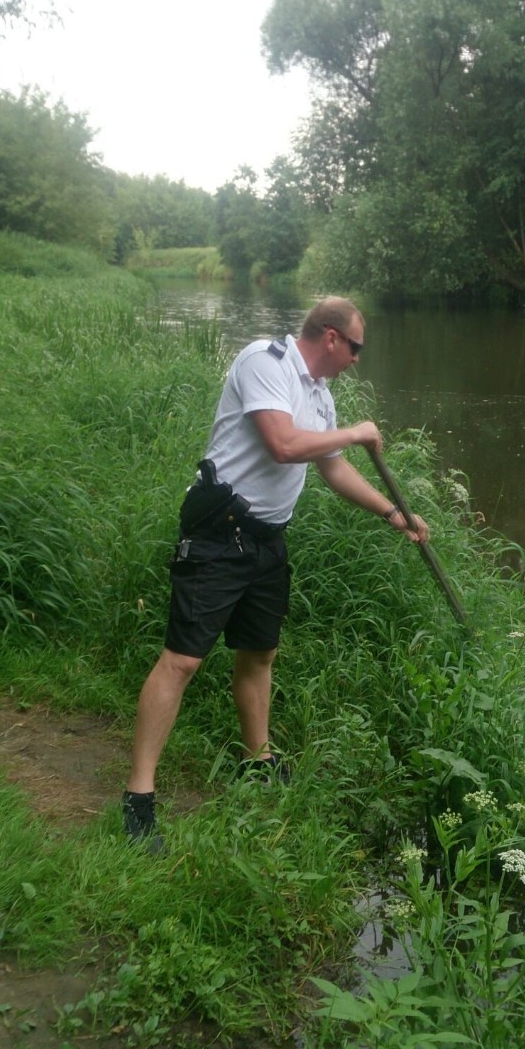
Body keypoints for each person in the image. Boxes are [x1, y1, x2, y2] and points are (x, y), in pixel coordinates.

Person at [122, 296, 429, 847]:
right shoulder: (265, 362)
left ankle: (256, 759)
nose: (358, 359)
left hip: (267, 539)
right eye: (356, 347)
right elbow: (284, 446)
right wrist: (357, 432)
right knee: (183, 660)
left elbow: (331, 469)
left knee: (259, 652)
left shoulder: (321, 396)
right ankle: (139, 798)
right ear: (331, 337)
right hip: (220, 530)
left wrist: (392, 512)